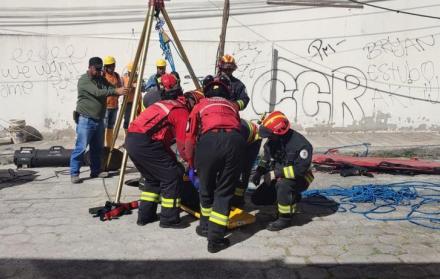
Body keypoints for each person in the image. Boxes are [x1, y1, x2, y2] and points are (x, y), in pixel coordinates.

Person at [185, 74, 245, 253]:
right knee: (224, 192)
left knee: (206, 186)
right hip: (235, 142)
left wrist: (191, 162)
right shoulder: (232, 106)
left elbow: (190, 137)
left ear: (206, 92)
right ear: (227, 92)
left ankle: (205, 227)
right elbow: (238, 126)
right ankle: (216, 239)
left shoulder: (199, 106)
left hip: (208, 142)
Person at [125, 73, 189, 229]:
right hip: (146, 143)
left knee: (152, 178)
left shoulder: (158, 106)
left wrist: (171, 158)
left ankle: (145, 217)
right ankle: (169, 219)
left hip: (132, 140)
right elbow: (182, 144)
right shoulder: (180, 110)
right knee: (172, 176)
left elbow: (161, 142)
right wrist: (190, 162)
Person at [251, 111, 314, 231]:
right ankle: (289, 198)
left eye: (270, 135)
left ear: (279, 132)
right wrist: (259, 172)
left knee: (283, 185)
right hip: (278, 176)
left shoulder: (302, 146)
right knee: (257, 199)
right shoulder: (274, 140)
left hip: (300, 179)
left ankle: (285, 218)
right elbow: (266, 158)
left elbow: (300, 170)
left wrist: (276, 174)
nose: (268, 138)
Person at [70, 57, 127, 184]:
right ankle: (74, 173)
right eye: (97, 69)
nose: (99, 71)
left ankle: (96, 170)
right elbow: (98, 92)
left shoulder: (100, 78)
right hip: (86, 119)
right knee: (81, 147)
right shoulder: (84, 81)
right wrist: (115, 91)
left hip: (99, 119)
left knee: (97, 148)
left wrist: (121, 90)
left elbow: (111, 87)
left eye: (101, 69)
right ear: (90, 67)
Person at [231, 119, 262, 207]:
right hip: (240, 138)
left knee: (243, 169)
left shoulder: (234, 131)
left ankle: (238, 199)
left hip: (253, 141)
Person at [102, 56, 123, 147]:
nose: (112, 68)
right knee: (102, 128)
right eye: (109, 66)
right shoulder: (102, 76)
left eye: (113, 65)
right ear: (105, 67)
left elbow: (120, 89)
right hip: (105, 107)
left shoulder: (117, 76)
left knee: (110, 127)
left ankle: (109, 147)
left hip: (114, 106)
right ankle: (100, 146)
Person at [122, 62, 144, 133]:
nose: (133, 74)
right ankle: (126, 137)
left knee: (138, 120)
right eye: (131, 72)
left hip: (137, 102)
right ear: (128, 71)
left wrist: (139, 85)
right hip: (128, 103)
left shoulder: (139, 77)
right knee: (127, 120)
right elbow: (123, 89)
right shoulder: (124, 78)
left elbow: (144, 88)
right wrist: (132, 86)